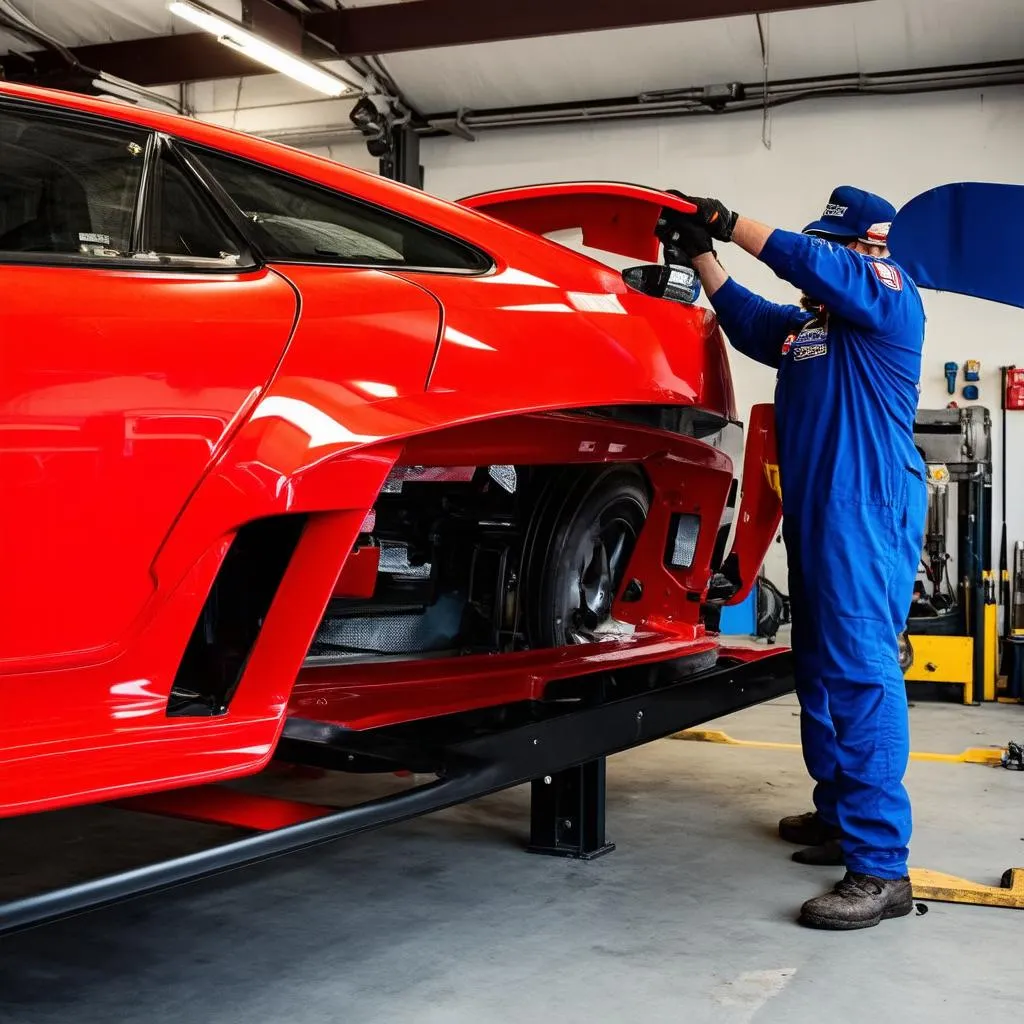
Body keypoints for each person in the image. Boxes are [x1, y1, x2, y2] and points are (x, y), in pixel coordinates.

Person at [657, 187, 927, 930]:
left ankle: (880, 868)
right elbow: (747, 321)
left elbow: (815, 263)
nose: (815, 260)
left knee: (859, 670)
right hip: (819, 508)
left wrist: (730, 221)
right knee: (816, 662)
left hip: (867, 507)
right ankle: (838, 815)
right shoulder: (812, 329)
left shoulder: (890, 299)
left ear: (864, 248)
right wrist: (701, 254)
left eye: (828, 247)